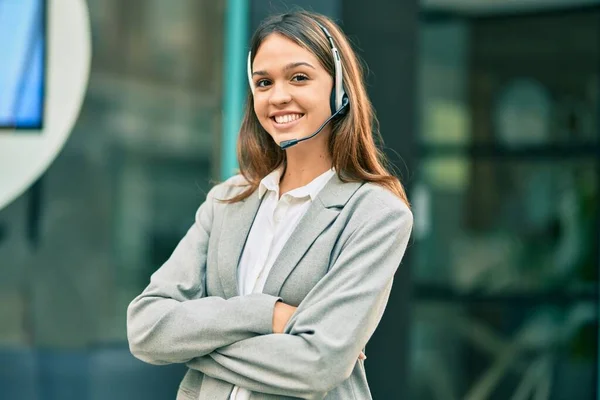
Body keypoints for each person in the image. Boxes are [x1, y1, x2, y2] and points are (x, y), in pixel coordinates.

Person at [127, 10, 413, 400]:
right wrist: (269, 315)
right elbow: (146, 328)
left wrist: (192, 345)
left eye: (299, 77)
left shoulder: (375, 214)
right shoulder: (227, 201)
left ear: (341, 88)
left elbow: (317, 364)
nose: (278, 96)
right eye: (263, 82)